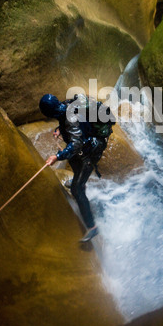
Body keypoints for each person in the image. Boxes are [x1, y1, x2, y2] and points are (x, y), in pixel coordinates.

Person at [39, 93, 115, 242]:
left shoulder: (68, 116)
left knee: (76, 188)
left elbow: (76, 144)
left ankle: (92, 228)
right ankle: (80, 181)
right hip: (86, 144)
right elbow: (73, 124)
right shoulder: (65, 107)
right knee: (74, 160)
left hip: (90, 151)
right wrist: (59, 129)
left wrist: (57, 157)